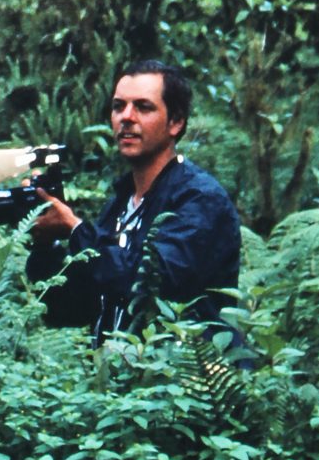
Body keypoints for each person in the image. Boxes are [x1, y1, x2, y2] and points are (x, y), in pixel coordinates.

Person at [25, 58, 241, 344]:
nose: (126, 117)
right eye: (118, 106)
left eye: (143, 107)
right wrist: (45, 244)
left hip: (192, 379)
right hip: (117, 383)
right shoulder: (119, 205)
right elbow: (70, 309)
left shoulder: (200, 200)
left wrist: (75, 230)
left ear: (176, 122)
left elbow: (150, 285)